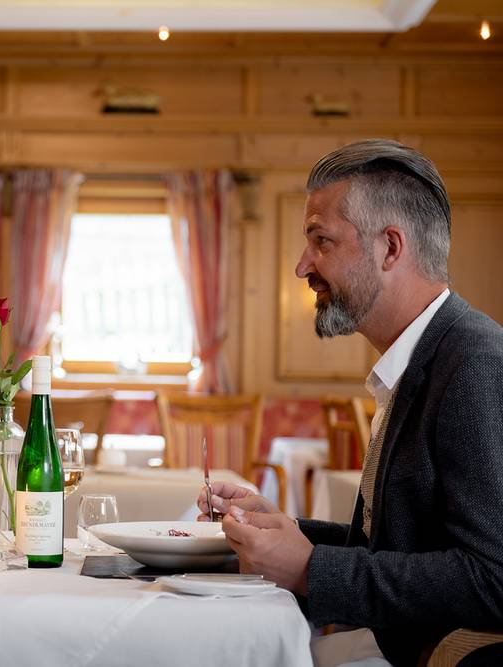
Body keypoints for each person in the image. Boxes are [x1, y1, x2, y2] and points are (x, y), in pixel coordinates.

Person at [197, 139, 503, 667]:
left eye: (322, 241)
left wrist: (309, 568)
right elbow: (392, 548)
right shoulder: (422, 358)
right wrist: (284, 530)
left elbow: (492, 577)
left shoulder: (474, 364)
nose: (302, 267)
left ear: (390, 248)